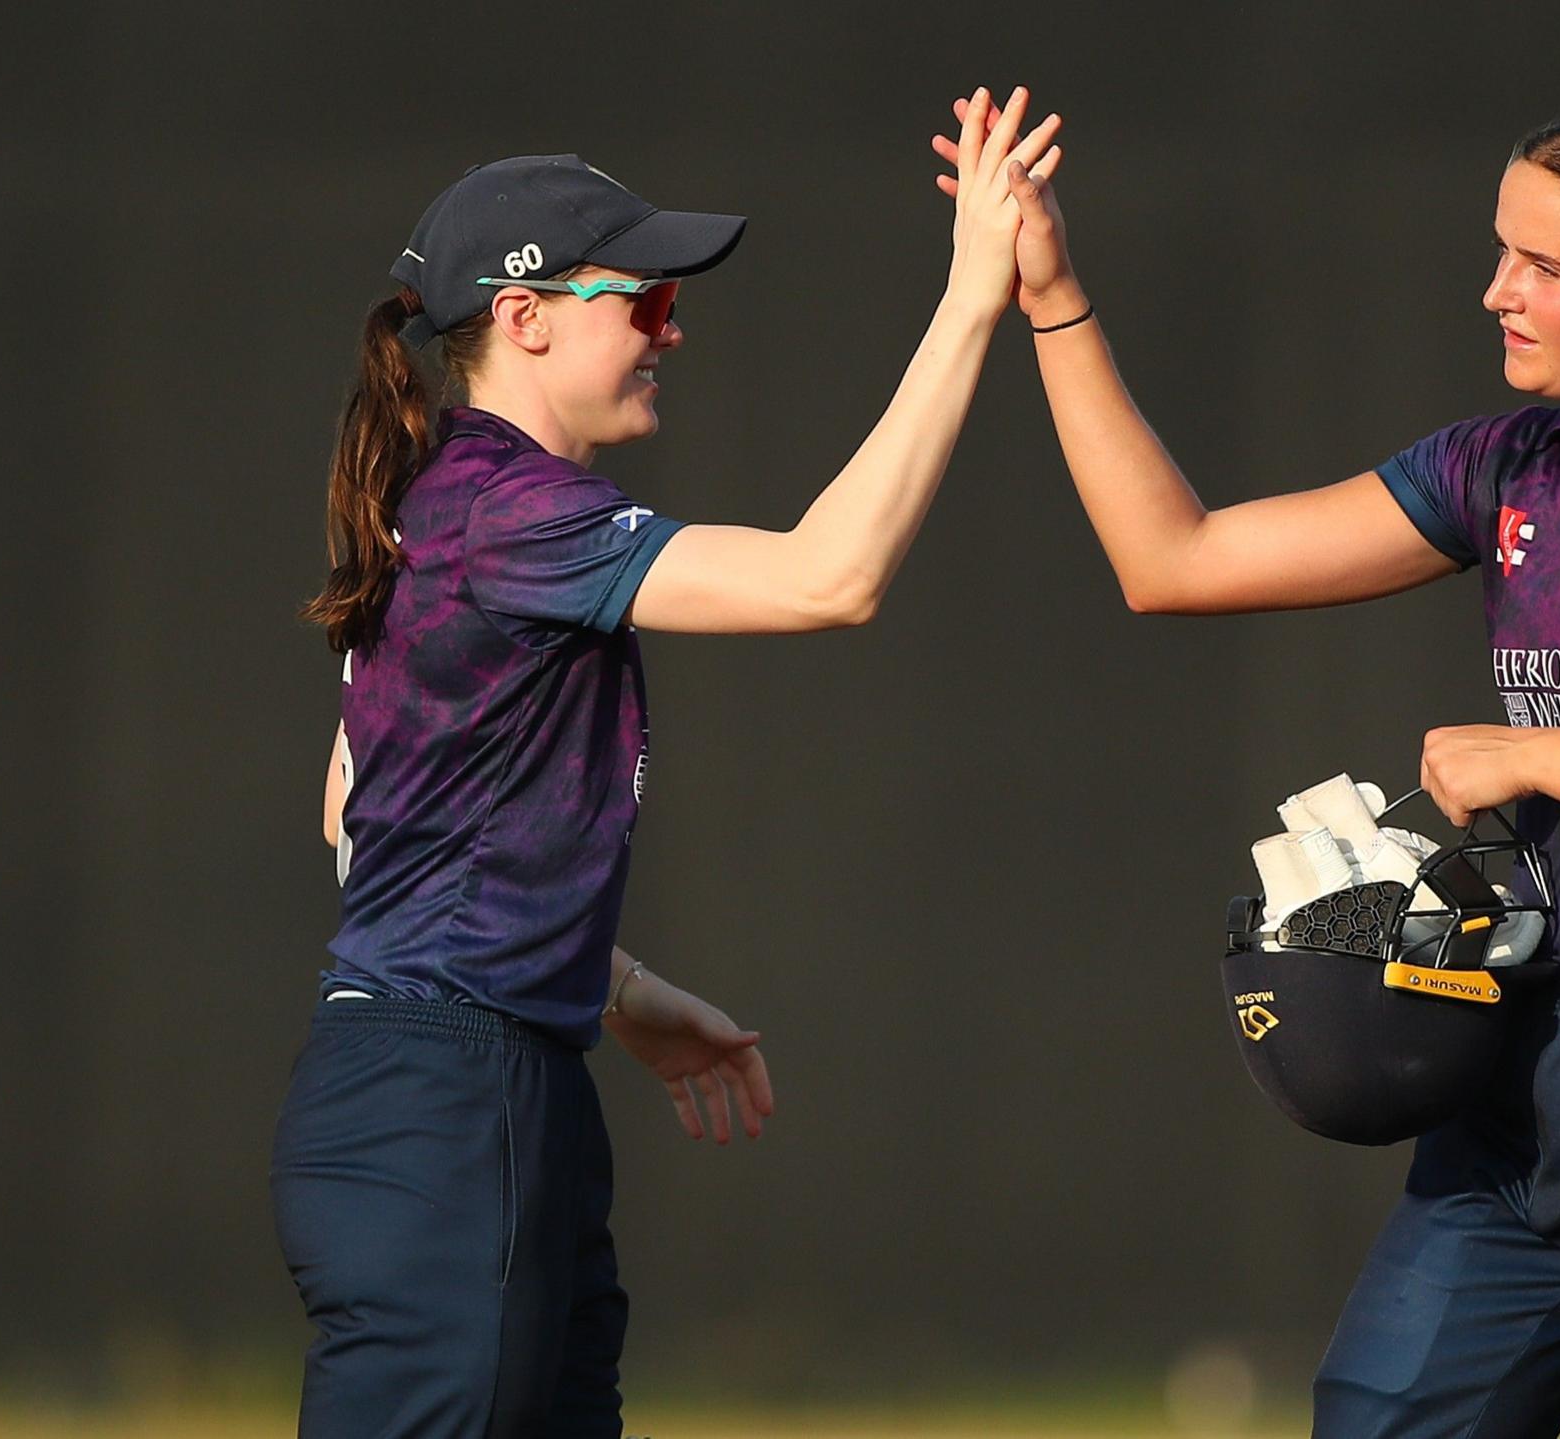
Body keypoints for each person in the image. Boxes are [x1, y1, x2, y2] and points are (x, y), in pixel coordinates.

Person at [940, 94, 1560, 1436]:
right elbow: (1175, 562)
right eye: (1502, 251)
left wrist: (1543, 756)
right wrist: (1053, 294)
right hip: (1523, 1068)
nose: (1499, 291)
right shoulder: (1511, 464)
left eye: (1546, 267)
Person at [274, 89, 1060, 1439]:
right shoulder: (503, 508)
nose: (671, 328)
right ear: (524, 318)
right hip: (454, 1110)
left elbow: (356, 812)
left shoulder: (440, 503)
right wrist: (974, 295)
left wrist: (614, 985)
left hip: (455, 1092)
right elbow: (832, 576)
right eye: (640, 301)